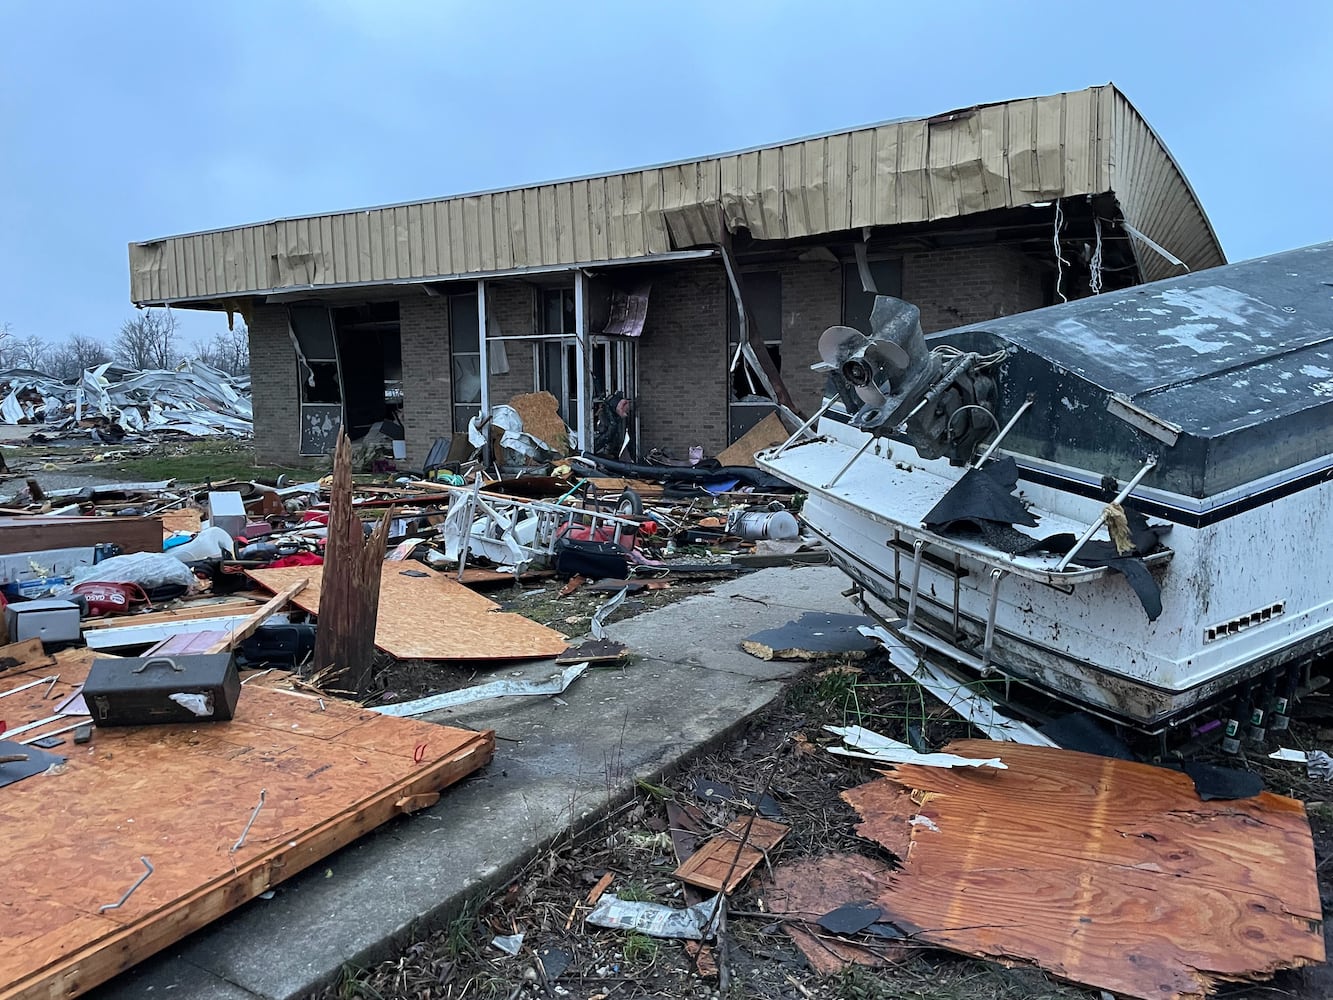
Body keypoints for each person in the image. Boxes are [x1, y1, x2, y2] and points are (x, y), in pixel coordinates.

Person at [593, 391, 634, 460]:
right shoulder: (605, 416)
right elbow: (603, 438)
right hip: (603, 453)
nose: (628, 411)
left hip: (611, 451)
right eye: (626, 409)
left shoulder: (616, 418)